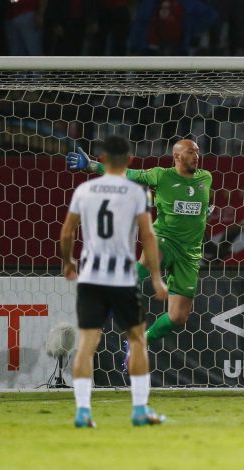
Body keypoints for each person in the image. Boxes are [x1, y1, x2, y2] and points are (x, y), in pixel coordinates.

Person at [66, 139, 213, 360]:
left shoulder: (206, 178)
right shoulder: (161, 175)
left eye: (198, 152)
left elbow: (198, 205)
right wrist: (92, 166)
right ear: (177, 156)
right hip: (165, 239)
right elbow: (127, 174)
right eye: (191, 152)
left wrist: (202, 212)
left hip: (189, 254)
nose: (196, 156)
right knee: (150, 261)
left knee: (178, 317)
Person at [60, 136, 169, 428]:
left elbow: (68, 232)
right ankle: (139, 409)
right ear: (130, 160)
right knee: (137, 340)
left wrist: (68, 262)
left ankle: (83, 412)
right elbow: (148, 236)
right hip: (122, 279)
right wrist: (156, 277)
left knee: (87, 343)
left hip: (91, 278)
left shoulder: (84, 190)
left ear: (103, 158)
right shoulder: (137, 193)